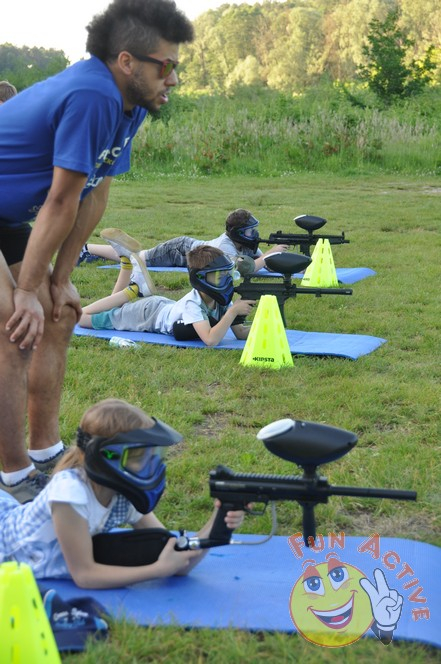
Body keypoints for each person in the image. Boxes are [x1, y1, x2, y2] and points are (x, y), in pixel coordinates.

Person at [0, 0, 194, 502]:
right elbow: (60, 199)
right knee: (13, 327)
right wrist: (26, 290)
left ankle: (47, 452)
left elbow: (94, 193)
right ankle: (15, 476)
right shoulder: (92, 95)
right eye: (165, 66)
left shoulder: (131, 103)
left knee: (60, 314)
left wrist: (60, 278)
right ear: (127, 61)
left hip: (7, 217)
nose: (173, 79)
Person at [0, 398, 246, 588]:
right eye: (141, 456)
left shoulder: (122, 495)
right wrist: (157, 571)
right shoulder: (70, 493)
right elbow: (84, 575)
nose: (151, 464)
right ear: (108, 455)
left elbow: (175, 557)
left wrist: (219, 520)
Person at [79, 245, 255, 346]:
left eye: (227, 274)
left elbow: (240, 333)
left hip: (161, 307)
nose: (226, 280)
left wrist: (264, 328)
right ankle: (134, 290)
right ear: (201, 278)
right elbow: (210, 340)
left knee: (116, 311)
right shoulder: (193, 304)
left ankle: (126, 265)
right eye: (219, 276)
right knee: (81, 318)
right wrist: (232, 312)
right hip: (147, 315)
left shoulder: (220, 300)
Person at [79, 208, 289, 272]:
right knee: (138, 259)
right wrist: (272, 254)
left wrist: (278, 259)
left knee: (137, 257)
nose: (255, 235)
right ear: (239, 233)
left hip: (190, 250)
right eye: (251, 232)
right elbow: (244, 269)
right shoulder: (225, 246)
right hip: (180, 250)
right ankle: (87, 248)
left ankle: (95, 252)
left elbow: (263, 263)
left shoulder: (245, 245)